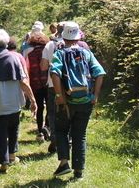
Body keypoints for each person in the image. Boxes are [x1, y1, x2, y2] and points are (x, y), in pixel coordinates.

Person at [50, 22, 105, 180]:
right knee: (79, 135)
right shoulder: (86, 53)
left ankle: (64, 164)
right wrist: (95, 96)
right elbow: (100, 73)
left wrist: (60, 96)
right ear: (78, 36)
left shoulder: (60, 53)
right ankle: (78, 172)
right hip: (86, 101)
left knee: (61, 131)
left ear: (64, 36)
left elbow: (54, 73)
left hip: (66, 102)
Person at [0, 28, 37, 173]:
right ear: (6, 42)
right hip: (14, 102)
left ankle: (3, 163)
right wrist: (32, 99)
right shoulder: (14, 58)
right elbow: (23, 82)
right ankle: (12, 156)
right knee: (13, 129)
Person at [40, 21, 65, 153]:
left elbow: (43, 66)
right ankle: (68, 139)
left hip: (52, 85)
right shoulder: (74, 44)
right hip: (70, 85)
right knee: (68, 112)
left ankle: (55, 137)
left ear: (57, 31)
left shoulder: (50, 44)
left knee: (53, 113)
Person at [22, 29, 50, 142]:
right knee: (49, 107)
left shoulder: (30, 54)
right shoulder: (47, 52)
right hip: (47, 83)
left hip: (35, 85)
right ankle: (47, 127)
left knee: (39, 108)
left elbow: (27, 71)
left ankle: (39, 132)